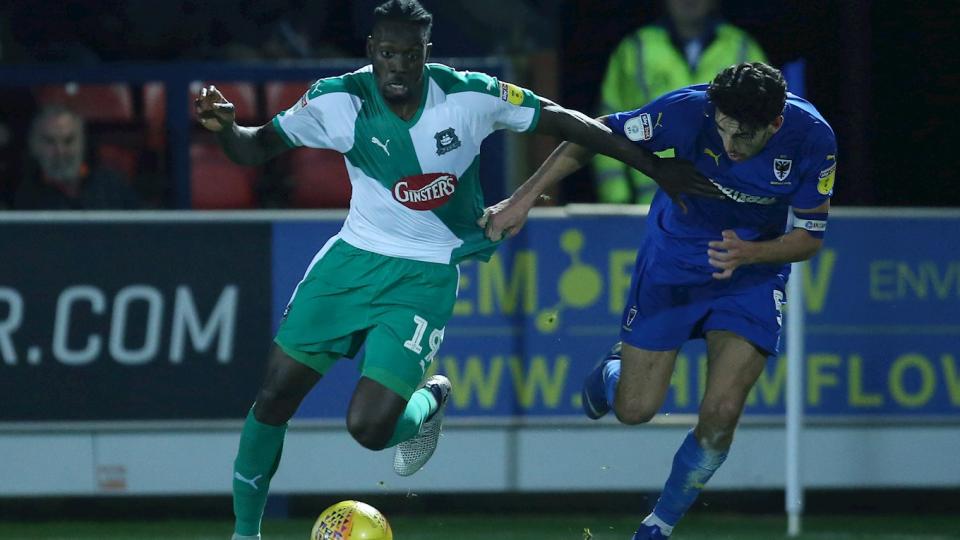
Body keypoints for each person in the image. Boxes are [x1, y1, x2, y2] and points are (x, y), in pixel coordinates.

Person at [194, 2, 718, 539]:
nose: (398, 65)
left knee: (369, 429)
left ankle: (430, 399)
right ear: (372, 50)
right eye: (388, 53)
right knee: (274, 396)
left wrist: (654, 167)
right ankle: (245, 533)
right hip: (351, 262)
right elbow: (255, 148)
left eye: (410, 54)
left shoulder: (469, 96)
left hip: (425, 276)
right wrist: (228, 129)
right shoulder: (337, 100)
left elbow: (566, 121)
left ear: (427, 53)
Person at [481, 62, 836, 539]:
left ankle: (658, 527)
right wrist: (523, 198)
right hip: (672, 265)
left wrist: (751, 253)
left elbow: (809, 238)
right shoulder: (688, 111)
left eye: (744, 135)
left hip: (750, 274)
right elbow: (591, 134)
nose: (729, 145)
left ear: (775, 123)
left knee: (722, 414)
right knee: (635, 410)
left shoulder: (813, 138)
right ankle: (612, 371)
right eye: (723, 129)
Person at [594, 0, 766, 205]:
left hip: (728, 205)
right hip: (650, 205)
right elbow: (608, 124)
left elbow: (767, 126)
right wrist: (616, 202)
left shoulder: (743, 48)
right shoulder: (636, 48)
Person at [13, 104, 140, 210]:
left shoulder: (112, 187)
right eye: (50, 141)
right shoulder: (23, 197)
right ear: (34, 146)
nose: (60, 151)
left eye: (69, 141)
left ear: (83, 142)